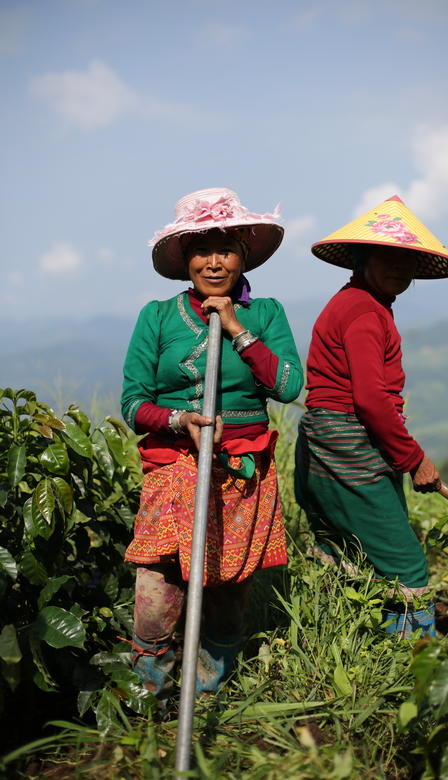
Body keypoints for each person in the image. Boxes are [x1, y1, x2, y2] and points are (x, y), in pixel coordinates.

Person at [121, 188, 303, 709]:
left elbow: (289, 385)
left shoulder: (265, 313)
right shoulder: (157, 317)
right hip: (172, 466)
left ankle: (205, 692)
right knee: (157, 585)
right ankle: (147, 695)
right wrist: (180, 420)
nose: (214, 262)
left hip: (240, 470)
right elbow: (133, 403)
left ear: (244, 255)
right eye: (201, 250)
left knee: (227, 583)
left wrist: (237, 329)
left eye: (225, 249)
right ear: (185, 260)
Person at [295, 195, 448, 638]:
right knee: (404, 559)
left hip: (328, 438)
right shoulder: (365, 312)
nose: (398, 268)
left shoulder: (359, 303)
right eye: (387, 257)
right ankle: (411, 658)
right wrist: (413, 459)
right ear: (362, 258)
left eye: (407, 260)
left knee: (353, 547)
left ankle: (350, 637)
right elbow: (371, 399)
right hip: (348, 440)